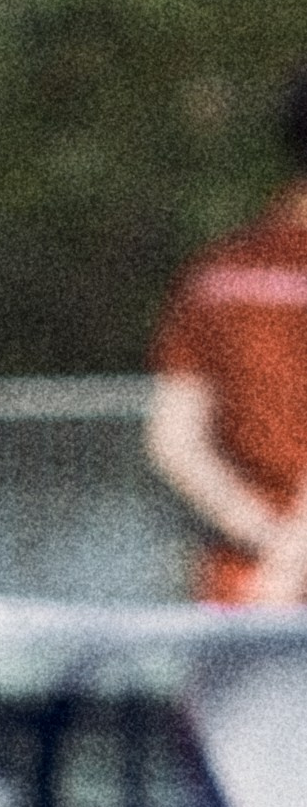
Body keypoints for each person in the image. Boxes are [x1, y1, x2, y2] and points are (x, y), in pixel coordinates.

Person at [145, 70, 307, 604]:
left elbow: (173, 443)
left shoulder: (215, 276)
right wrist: (295, 559)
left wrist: (269, 541)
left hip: (241, 588)